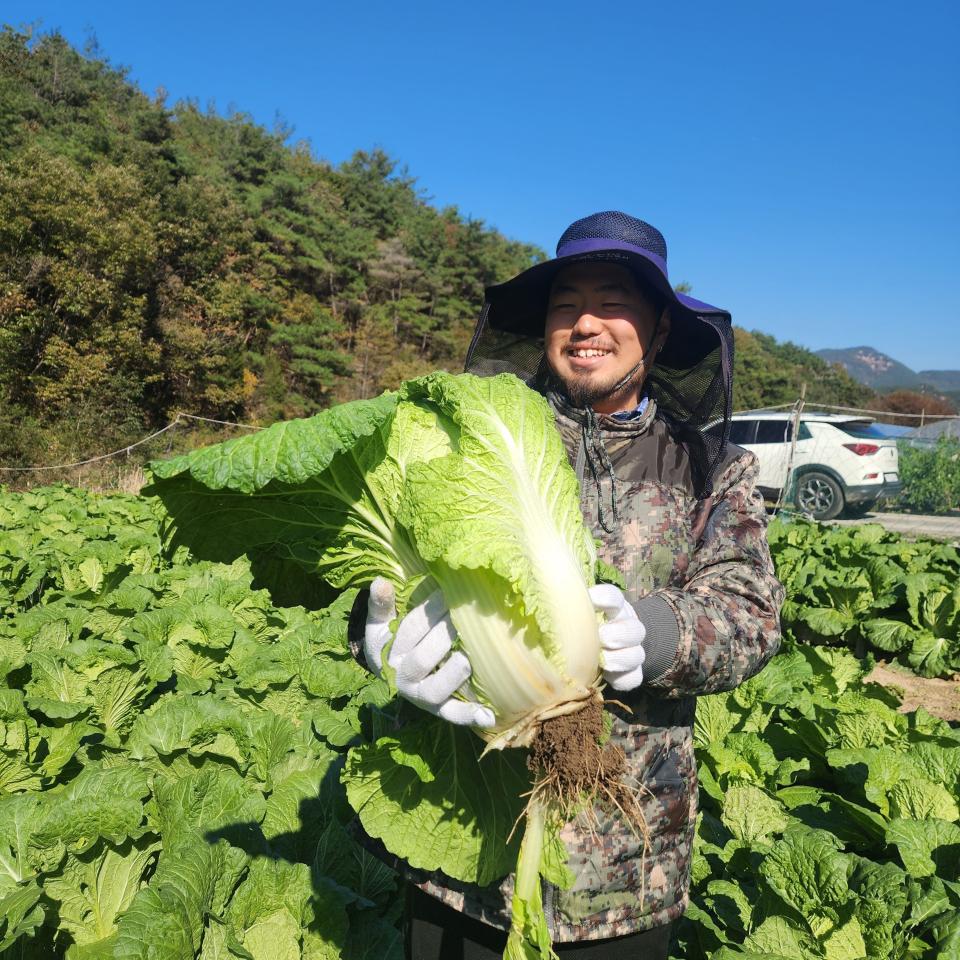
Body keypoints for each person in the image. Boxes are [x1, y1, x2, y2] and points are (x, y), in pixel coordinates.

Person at [353, 211, 785, 958]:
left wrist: (658, 632)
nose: (585, 321)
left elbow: (751, 611)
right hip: (462, 842)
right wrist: (376, 635)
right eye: (565, 302)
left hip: (627, 869)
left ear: (656, 330)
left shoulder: (712, 467)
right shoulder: (469, 436)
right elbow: (381, 566)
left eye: (613, 299)